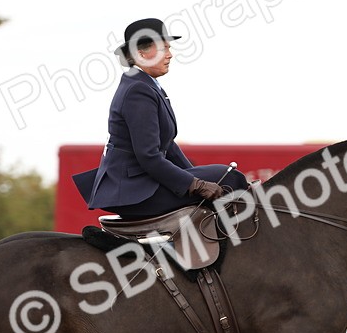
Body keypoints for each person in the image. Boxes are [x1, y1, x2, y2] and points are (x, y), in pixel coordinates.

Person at [72, 17, 248, 219]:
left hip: (143, 182)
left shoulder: (145, 84)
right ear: (141, 53)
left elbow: (168, 145)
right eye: (164, 48)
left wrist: (194, 174)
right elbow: (148, 156)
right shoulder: (138, 90)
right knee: (229, 177)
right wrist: (194, 184)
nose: (170, 55)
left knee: (223, 176)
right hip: (134, 191)